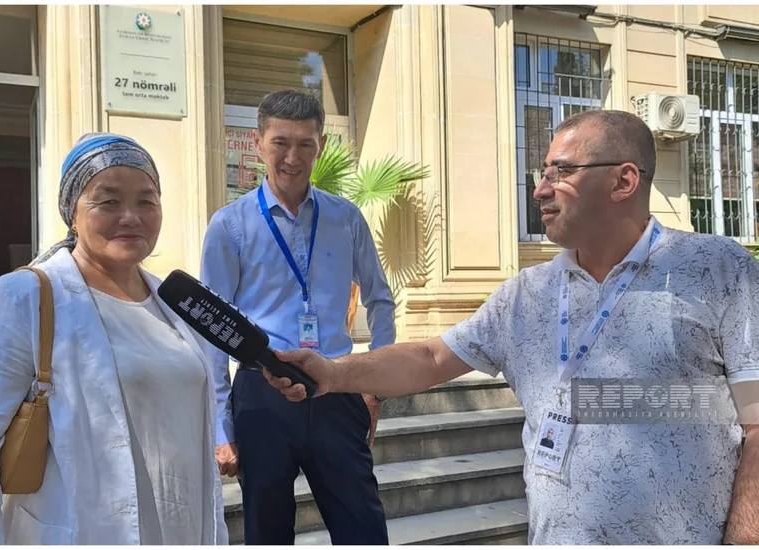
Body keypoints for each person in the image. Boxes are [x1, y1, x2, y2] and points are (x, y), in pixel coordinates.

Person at [263, 110, 759, 545]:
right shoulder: (527, 293)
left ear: (623, 181)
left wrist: (745, 538)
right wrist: (335, 372)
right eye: (543, 173)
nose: (540, 189)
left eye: (562, 172)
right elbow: (432, 358)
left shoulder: (718, 270)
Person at [0, 133, 228, 545]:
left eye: (147, 201)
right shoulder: (28, 297)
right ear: (72, 212)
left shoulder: (173, 301)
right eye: (108, 202)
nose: (131, 216)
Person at [201, 90, 395, 545]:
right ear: (258, 143)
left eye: (305, 143)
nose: (292, 157)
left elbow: (380, 300)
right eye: (280, 143)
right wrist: (220, 425)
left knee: (364, 530)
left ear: (320, 146)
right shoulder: (229, 225)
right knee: (267, 532)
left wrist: (375, 384)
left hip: (337, 388)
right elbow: (212, 330)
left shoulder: (346, 218)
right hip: (262, 394)